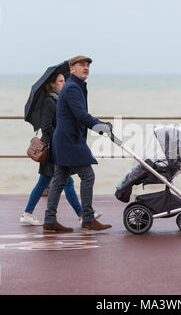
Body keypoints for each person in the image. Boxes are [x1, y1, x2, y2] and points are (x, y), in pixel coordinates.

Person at [21, 72, 102, 226]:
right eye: (60, 81)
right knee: (55, 182)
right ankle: (80, 215)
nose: (64, 83)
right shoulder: (49, 102)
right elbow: (47, 128)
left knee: (57, 181)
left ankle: (80, 215)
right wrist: (60, 137)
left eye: (65, 80)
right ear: (51, 84)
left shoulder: (57, 100)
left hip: (57, 147)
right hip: (51, 148)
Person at [43, 56, 112, 233]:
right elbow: (81, 115)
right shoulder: (73, 88)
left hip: (66, 140)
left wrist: (99, 126)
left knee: (59, 180)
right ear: (72, 69)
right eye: (81, 64)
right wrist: (102, 127)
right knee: (87, 176)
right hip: (69, 141)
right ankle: (88, 219)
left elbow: (80, 115)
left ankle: (49, 221)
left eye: (88, 65)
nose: (86, 67)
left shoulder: (76, 86)